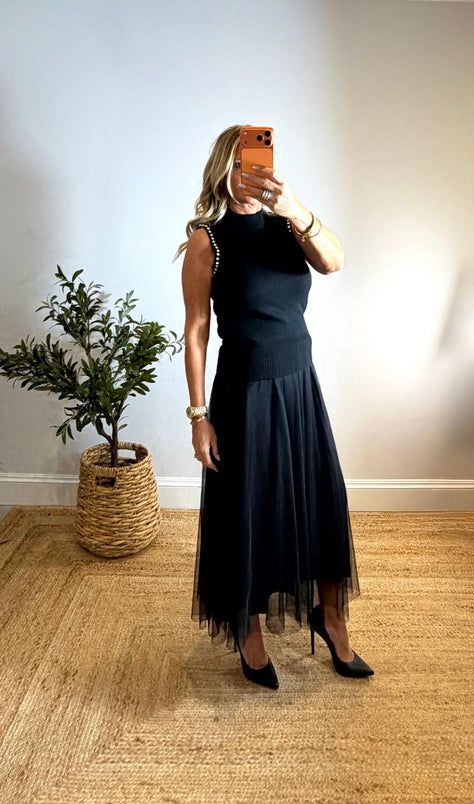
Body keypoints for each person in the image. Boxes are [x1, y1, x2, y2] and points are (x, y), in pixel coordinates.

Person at [177, 124, 374, 689]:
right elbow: (195, 332)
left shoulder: (291, 223)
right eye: (244, 162)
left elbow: (334, 261)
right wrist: (198, 418)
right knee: (251, 510)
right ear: (226, 169)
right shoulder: (207, 240)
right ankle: (249, 626)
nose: (254, 172)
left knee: (321, 501)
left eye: (262, 161)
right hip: (244, 394)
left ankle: (331, 618)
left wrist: (294, 207)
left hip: (298, 386)